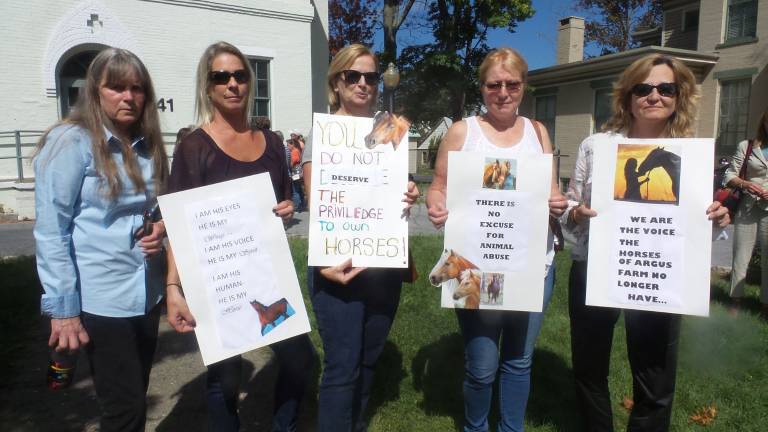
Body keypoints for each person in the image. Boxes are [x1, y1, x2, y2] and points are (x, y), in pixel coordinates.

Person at [563, 54, 730, 431]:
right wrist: (574, 213)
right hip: (595, 269)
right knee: (589, 371)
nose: (654, 95)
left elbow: (699, 220)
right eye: (644, 88)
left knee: (655, 381)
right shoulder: (596, 146)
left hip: (659, 275)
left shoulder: (691, 154)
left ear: (678, 96)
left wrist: (717, 218)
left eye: (665, 88)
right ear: (628, 95)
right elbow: (570, 205)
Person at [164, 41, 316, 432]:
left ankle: (283, 426)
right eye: (221, 77)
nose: (233, 84)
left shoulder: (272, 142)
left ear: (249, 82)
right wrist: (174, 287)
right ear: (208, 86)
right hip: (217, 281)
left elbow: (284, 201)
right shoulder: (194, 146)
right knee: (225, 379)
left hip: (268, 273)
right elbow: (179, 226)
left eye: (240, 75)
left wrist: (285, 210)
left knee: (300, 361)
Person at [425, 47, 567, 432]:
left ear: (524, 86)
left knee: (519, 361)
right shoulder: (462, 132)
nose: (503, 92)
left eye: (512, 84)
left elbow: (552, 191)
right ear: (482, 87)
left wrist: (557, 203)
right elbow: (438, 188)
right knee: (483, 365)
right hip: (476, 265)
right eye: (494, 85)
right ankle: (475, 428)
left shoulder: (539, 133)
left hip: (532, 264)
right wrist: (436, 206)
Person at [34, 48, 169, 432]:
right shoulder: (70, 142)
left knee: (134, 395)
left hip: (145, 292)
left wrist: (160, 228)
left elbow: (156, 210)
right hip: (100, 297)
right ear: (95, 92)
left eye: (137, 88)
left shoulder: (148, 144)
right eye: (116, 87)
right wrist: (64, 311)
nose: (128, 96)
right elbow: (50, 230)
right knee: (124, 410)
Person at [300, 43, 420, 432]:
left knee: (369, 359)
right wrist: (324, 263)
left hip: (382, 265)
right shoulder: (324, 133)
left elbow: (397, 189)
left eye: (370, 76)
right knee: (343, 366)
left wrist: (410, 193)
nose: (363, 84)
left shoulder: (393, 130)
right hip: (338, 266)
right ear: (337, 82)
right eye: (353, 76)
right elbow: (319, 202)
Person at [726, 107, 768, 318]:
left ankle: (765, 305)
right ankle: (735, 300)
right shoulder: (748, 146)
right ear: (764, 123)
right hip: (748, 207)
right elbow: (729, 175)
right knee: (740, 255)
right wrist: (745, 184)